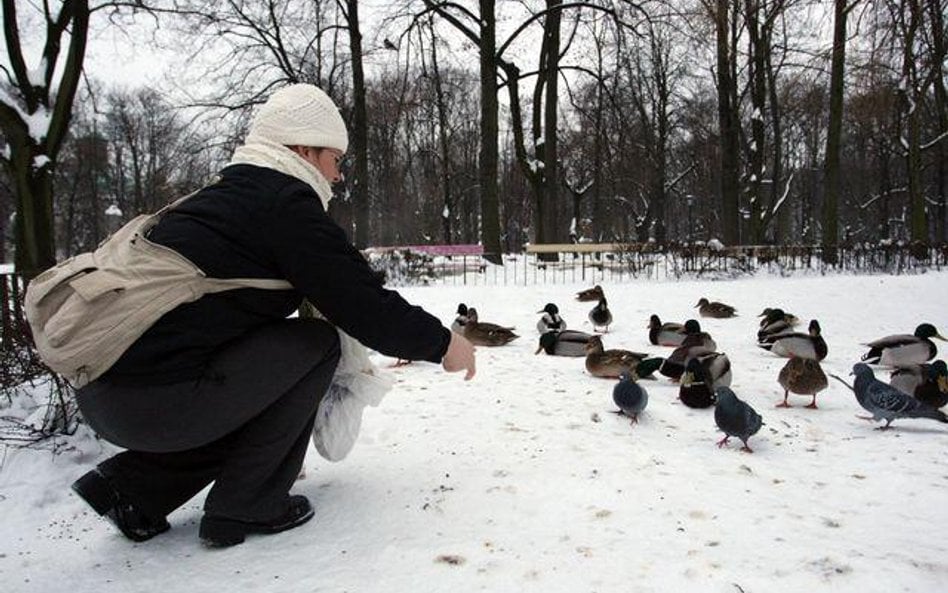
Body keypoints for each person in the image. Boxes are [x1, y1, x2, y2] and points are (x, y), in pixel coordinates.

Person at [69, 84, 477, 548]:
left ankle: (133, 490)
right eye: (335, 159)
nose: (338, 176)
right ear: (304, 149)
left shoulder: (220, 198)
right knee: (315, 344)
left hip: (107, 395)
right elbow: (362, 304)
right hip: (154, 406)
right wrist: (444, 343)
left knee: (265, 368)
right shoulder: (282, 204)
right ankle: (247, 506)